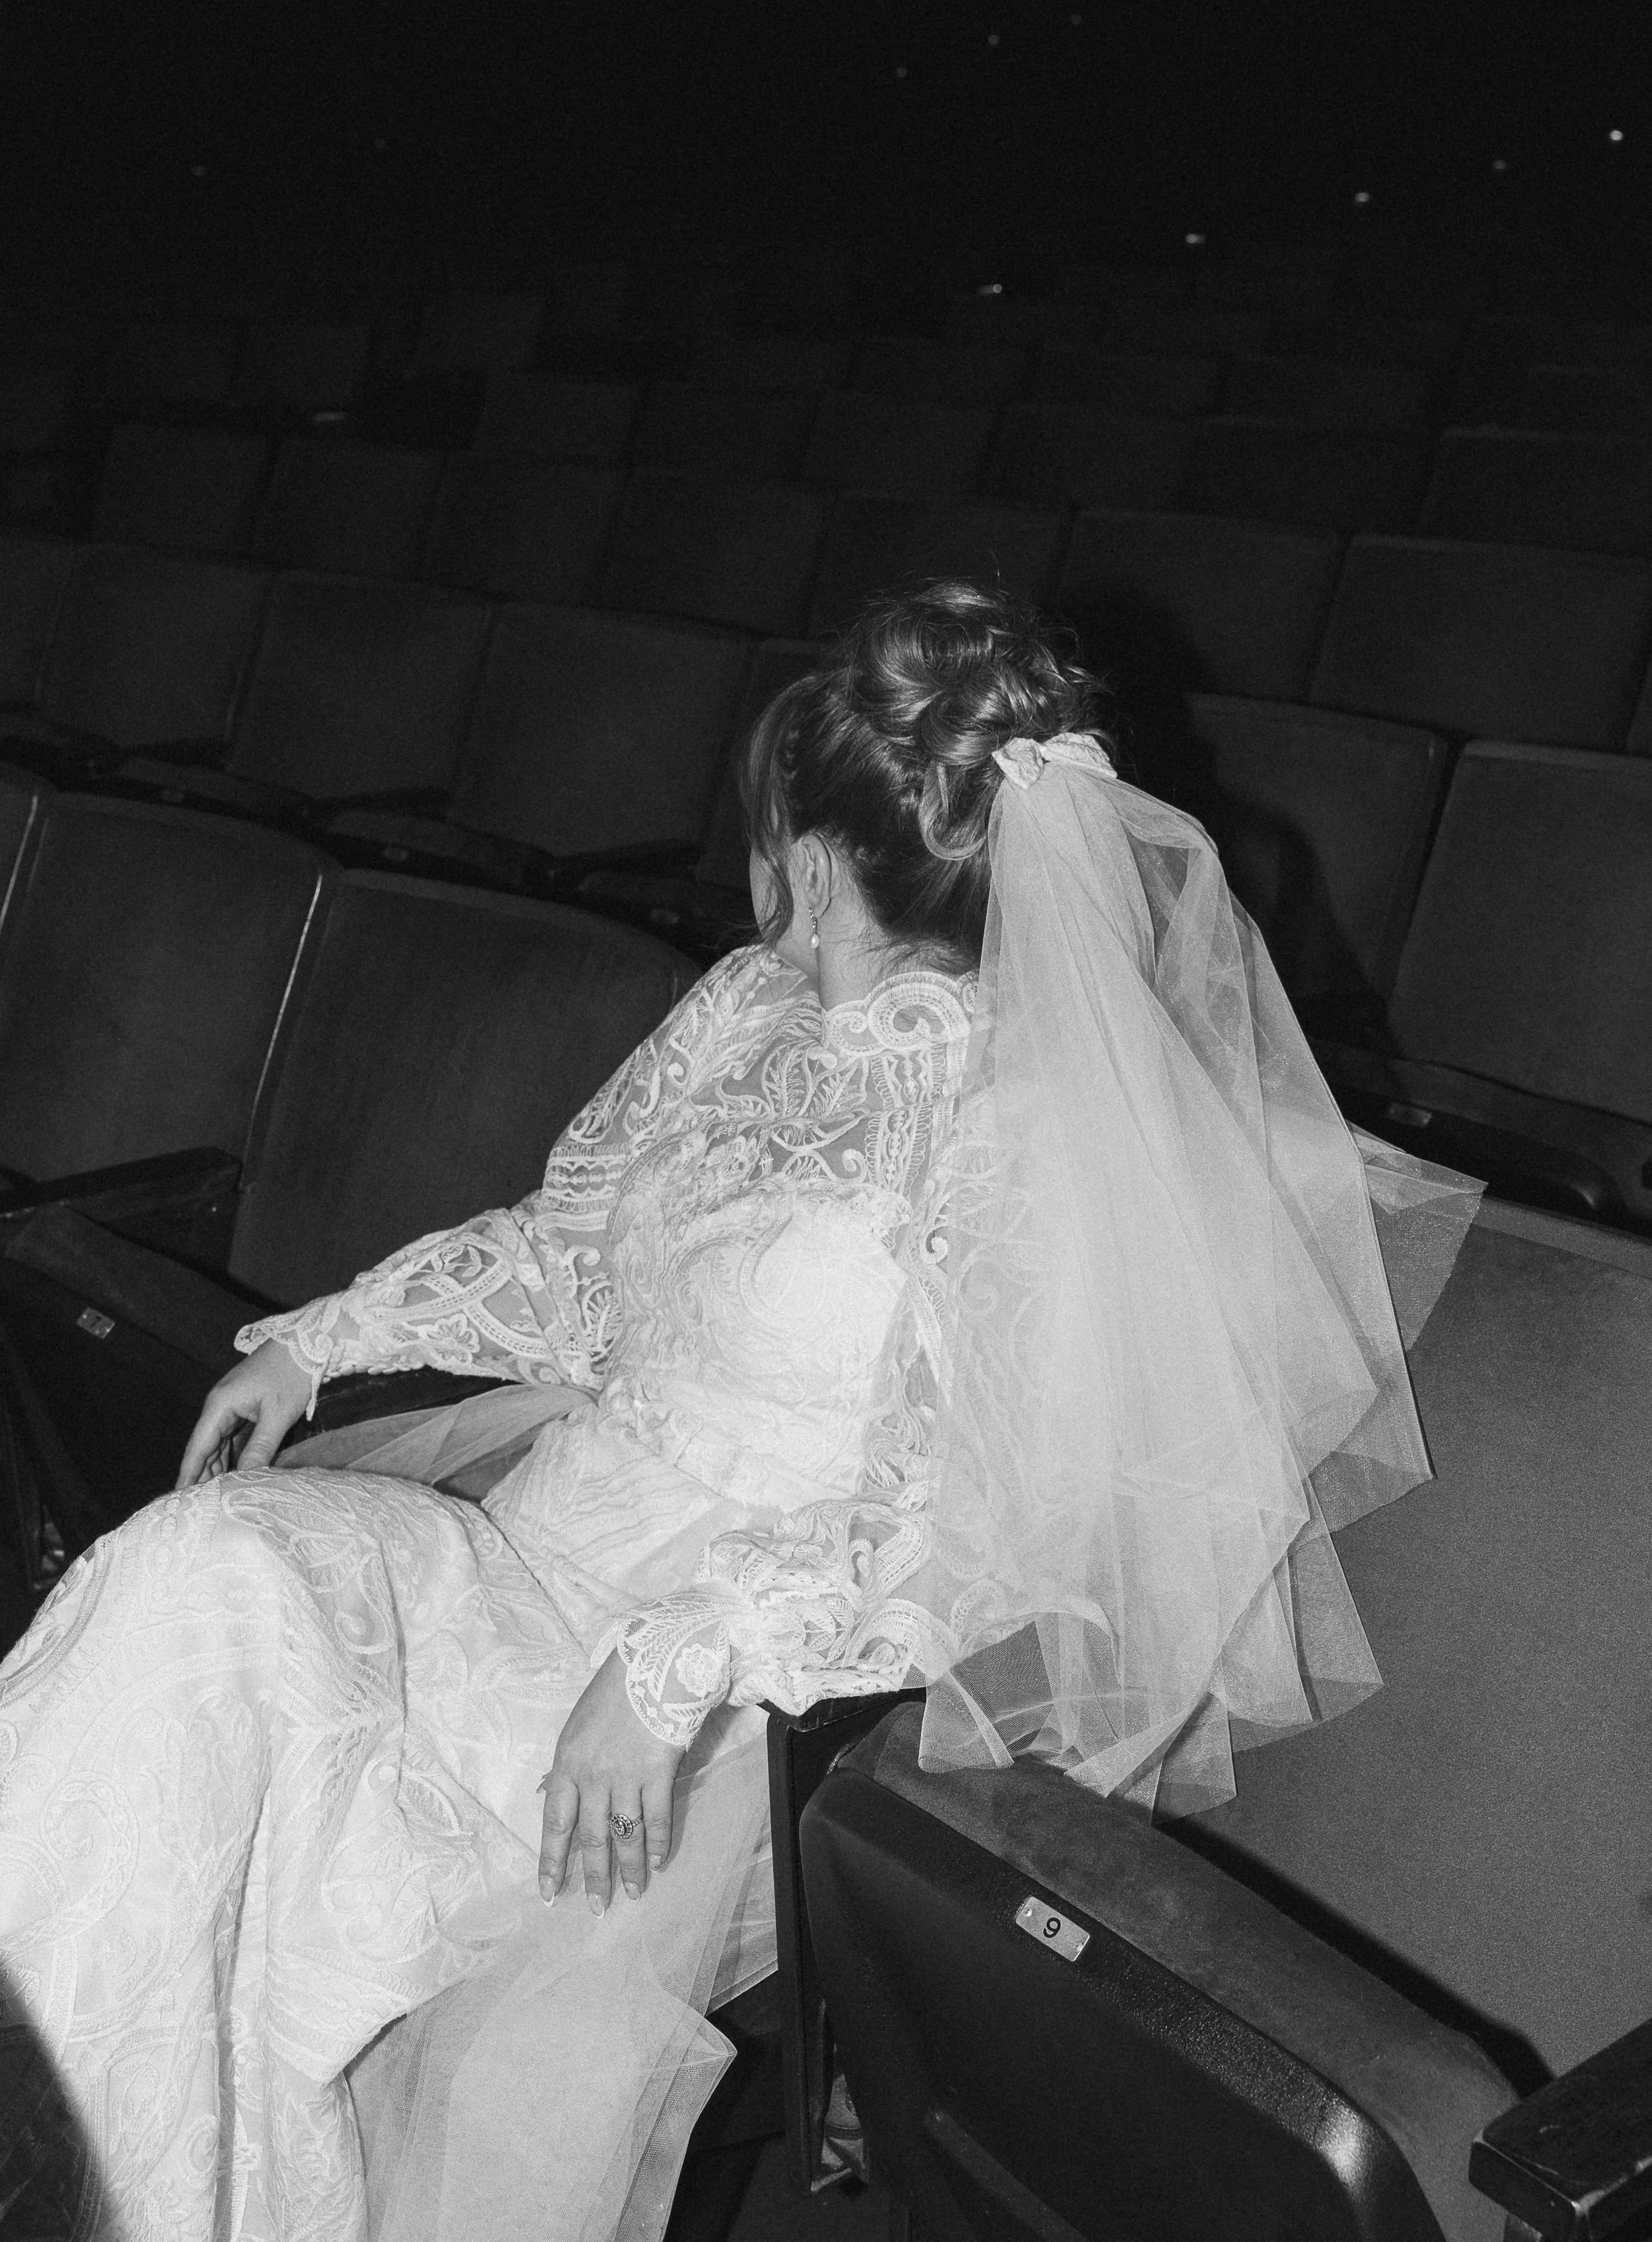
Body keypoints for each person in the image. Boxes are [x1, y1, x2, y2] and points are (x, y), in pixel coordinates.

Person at [0, 581, 1477, 2241]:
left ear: (828, 849)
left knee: (322, 1859)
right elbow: (574, 1261)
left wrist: (672, 1664)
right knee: (193, 1580)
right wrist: (325, 1341)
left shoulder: (1023, 1126)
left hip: (747, 1674)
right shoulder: (739, 1009)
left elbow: (980, 1532)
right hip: (535, 1537)